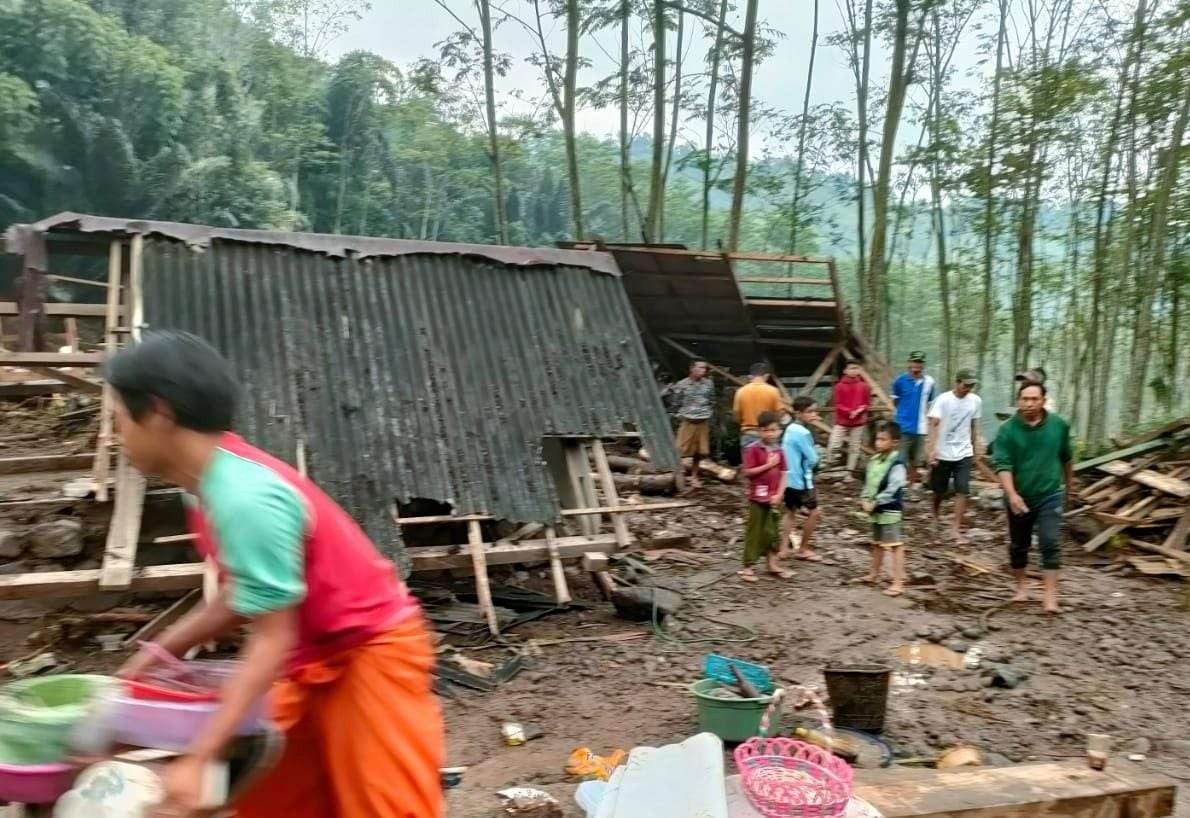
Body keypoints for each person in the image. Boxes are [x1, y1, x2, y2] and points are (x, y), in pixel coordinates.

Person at [109, 332, 444, 818]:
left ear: (158, 412)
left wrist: (200, 757)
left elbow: (272, 637)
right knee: (274, 802)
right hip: (309, 659)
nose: (113, 436)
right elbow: (239, 594)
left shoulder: (244, 496)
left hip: (370, 651)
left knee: (384, 807)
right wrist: (161, 653)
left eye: (119, 420)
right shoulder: (204, 485)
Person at [992, 382, 1073, 614]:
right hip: (1019, 496)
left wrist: (1070, 487)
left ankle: (1050, 598)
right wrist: (1012, 494)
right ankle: (1021, 587)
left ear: (1043, 400)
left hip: (1050, 494)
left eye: (1034, 399)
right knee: (1019, 545)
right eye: (1025, 399)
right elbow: (1003, 464)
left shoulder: (1059, 425)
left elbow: (1066, 457)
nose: (1029, 403)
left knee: (1050, 542)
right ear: (1018, 401)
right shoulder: (1007, 430)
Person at [927, 369, 982, 544]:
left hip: (963, 452)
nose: (968, 388)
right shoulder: (943, 400)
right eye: (965, 385)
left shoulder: (975, 401)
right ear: (957, 382)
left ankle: (955, 528)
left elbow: (973, 425)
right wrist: (932, 449)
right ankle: (935, 517)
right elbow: (933, 424)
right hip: (943, 452)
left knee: (962, 490)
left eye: (971, 385)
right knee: (939, 490)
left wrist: (975, 448)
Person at [739, 411, 792, 582]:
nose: (770, 433)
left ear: (779, 431)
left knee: (773, 531)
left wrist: (780, 494)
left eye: (773, 430)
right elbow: (747, 472)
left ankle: (772, 563)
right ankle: (748, 566)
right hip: (757, 497)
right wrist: (768, 465)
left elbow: (784, 473)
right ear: (759, 431)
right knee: (755, 531)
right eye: (766, 430)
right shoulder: (753, 449)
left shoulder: (780, 451)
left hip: (774, 497)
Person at [860, 422, 908, 597]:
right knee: (877, 543)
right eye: (877, 439)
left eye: (883, 439)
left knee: (895, 544)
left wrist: (876, 501)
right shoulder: (873, 460)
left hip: (890, 509)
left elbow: (894, 487)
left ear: (894, 442)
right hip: (875, 508)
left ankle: (898, 582)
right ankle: (873, 574)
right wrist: (865, 499)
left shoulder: (897, 463)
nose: (878, 443)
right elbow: (868, 482)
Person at [781, 397, 823, 562]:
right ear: (798, 413)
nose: (813, 415)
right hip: (802, 480)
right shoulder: (803, 432)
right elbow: (813, 459)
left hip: (788, 478)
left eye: (814, 411)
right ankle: (803, 549)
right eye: (810, 411)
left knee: (790, 512)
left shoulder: (790, 429)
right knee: (814, 512)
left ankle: (784, 548)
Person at [663, 360, 715, 487]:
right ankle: (677, 476)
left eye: (704, 368)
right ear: (692, 368)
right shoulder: (682, 384)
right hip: (688, 421)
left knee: (699, 452)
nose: (703, 370)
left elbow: (712, 400)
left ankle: (694, 477)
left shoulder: (708, 384)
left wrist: (708, 412)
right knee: (680, 450)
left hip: (702, 421)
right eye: (700, 367)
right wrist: (678, 414)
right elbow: (676, 402)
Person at [891, 351, 936, 488]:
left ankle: (910, 486)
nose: (916, 365)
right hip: (903, 425)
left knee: (916, 459)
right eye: (914, 362)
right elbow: (895, 401)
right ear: (909, 363)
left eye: (919, 363)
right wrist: (902, 415)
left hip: (921, 427)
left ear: (923, 365)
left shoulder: (929, 382)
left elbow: (931, 403)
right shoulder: (899, 381)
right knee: (901, 457)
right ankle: (898, 484)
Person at [826, 361, 870, 472]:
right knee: (834, 444)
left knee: (854, 447)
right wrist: (850, 411)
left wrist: (860, 410)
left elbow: (867, 403)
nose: (854, 370)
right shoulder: (839, 386)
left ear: (859, 370)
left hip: (858, 421)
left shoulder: (864, 386)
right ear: (845, 371)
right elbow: (837, 404)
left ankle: (849, 471)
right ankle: (830, 466)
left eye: (856, 368)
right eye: (851, 368)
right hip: (842, 421)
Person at [733, 362, 782, 450]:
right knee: (771, 462)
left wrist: (743, 422)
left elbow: (736, 415)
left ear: (750, 376)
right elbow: (780, 412)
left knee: (750, 463)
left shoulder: (740, 392)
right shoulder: (773, 391)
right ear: (766, 376)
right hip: (768, 435)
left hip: (749, 434)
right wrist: (772, 424)